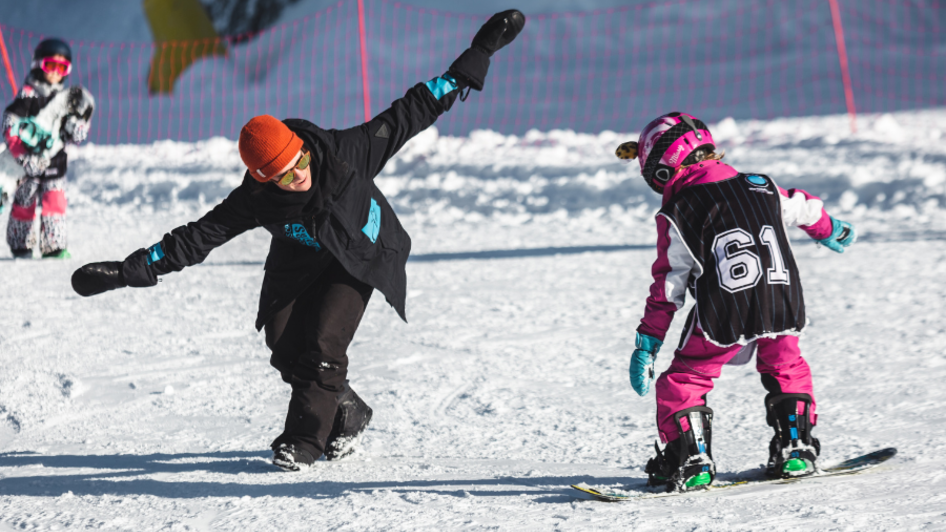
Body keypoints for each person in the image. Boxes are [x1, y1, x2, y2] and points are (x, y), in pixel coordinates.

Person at [71, 10, 526, 471]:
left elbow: (411, 110)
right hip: (299, 263)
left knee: (324, 348)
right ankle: (347, 412)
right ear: (263, 179)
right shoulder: (254, 200)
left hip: (356, 256)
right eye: (284, 175)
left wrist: (479, 53)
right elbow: (197, 236)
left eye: (299, 161)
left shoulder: (346, 152)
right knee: (285, 346)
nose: (299, 175)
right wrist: (129, 271)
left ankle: (303, 441)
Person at [616, 112, 857, 492]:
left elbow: (668, 285)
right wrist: (830, 229)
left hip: (722, 311)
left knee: (686, 377)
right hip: (782, 300)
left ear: (663, 169)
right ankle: (796, 448)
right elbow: (805, 207)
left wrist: (648, 341)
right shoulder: (762, 185)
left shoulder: (677, 210)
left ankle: (691, 458)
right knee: (786, 365)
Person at [3, 38, 94, 259]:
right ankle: (20, 244)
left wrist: (76, 129)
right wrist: (23, 157)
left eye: (61, 68)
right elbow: (10, 127)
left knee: (55, 202)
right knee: (25, 203)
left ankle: (54, 246)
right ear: (38, 65)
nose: (55, 73)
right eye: (50, 66)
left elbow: (71, 129)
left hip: (55, 163)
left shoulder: (67, 99)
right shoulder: (28, 96)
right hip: (27, 166)